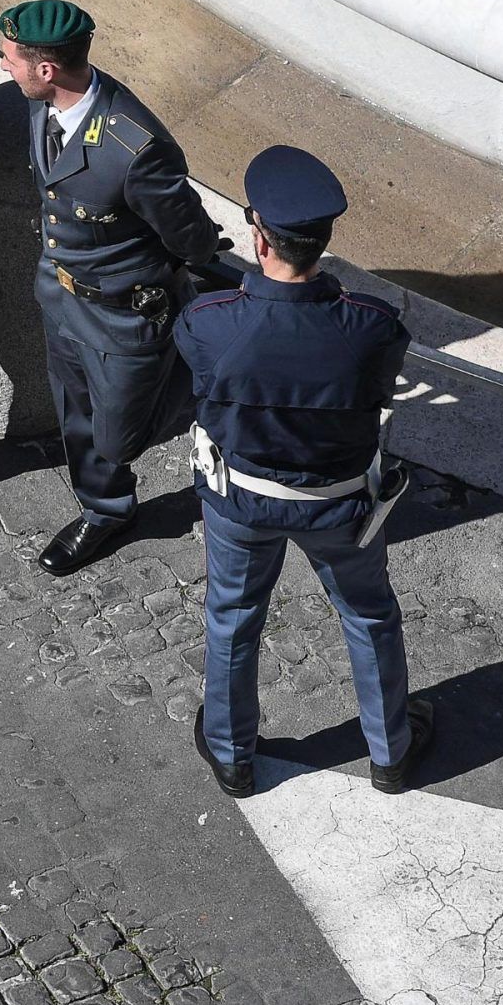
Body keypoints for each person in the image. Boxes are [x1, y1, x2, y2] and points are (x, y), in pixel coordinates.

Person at [177, 145, 431, 797]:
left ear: (259, 238)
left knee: (233, 618)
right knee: (369, 617)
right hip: (340, 506)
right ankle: (391, 753)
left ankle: (232, 754)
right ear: (322, 242)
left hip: (241, 502)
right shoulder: (373, 327)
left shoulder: (210, 324)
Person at [0, 0, 226, 574]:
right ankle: (106, 510)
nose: (4, 67)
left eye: (11, 59)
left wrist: (185, 274)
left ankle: (210, 397)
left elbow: (190, 235)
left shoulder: (135, 148)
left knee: (120, 434)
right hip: (61, 297)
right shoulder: (46, 103)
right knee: (76, 412)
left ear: (46, 69)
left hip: (123, 319)